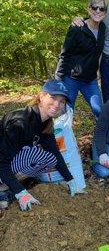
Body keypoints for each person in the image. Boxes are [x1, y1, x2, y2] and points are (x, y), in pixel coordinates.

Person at [0, 80, 83, 211]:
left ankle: (6, 187)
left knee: (50, 158)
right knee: (34, 153)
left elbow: (55, 153)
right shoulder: (20, 123)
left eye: (62, 101)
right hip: (2, 164)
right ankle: (7, 189)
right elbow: (2, 162)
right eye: (53, 97)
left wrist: (70, 180)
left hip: (9, 163)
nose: (57, 104)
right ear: (41, 96)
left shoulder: (45, 123)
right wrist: (21, 193)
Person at [55, 0, 108, 118]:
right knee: (66, 114)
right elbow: (64, 54)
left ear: (105, 12)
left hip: (90, 80)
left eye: (102, 8)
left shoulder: (103, 28)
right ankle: (62, 138)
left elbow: (97, 54)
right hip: (71, 79)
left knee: (100, 111)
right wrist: (58, 80)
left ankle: (104, 137)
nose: (98, 11)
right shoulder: (77, 28)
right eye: (95, 7)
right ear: (89, 9)